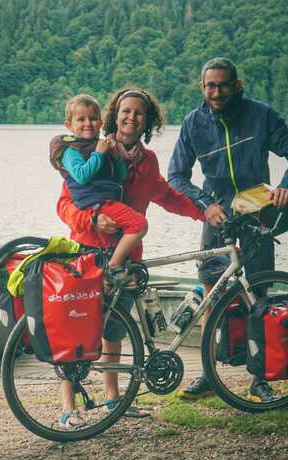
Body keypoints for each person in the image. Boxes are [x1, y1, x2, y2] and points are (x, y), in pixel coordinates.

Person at [55, 87, 212, 428]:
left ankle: (114, 400)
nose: (131, 117)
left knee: (114, 330)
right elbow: (64, 204)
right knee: (76, 330)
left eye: (139, 113)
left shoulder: (148, 160)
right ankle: (69, 407)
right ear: (115, 114)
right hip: (88, 252)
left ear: (147, 121)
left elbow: (168, 196)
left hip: (127, 260)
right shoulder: (90, 150)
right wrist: (93, 220)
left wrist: (205, 213)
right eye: (126, 111)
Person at [168, 57, 288, 401]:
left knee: (258, 296)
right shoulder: (193, 123)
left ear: (237, 85)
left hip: (256, 207)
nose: (216, 92)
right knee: (210, 294)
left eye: (223, 85)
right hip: (216, 211)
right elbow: (176, 175)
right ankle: (208, 372)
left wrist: (286, 187)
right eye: (210, 86)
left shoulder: (261, 115)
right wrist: (205, 203)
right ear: (201, 87)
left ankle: (259, 378)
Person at [50, 94, 148, 274]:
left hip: (116, 238)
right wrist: (93, 219)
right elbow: (81, 178)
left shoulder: (143, 158)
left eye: (93, 118)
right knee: (139, 224)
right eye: (81, 119)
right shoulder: (71, 150)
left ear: (101, 123)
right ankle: (114, 265)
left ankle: (115, 264)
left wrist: (115, 157)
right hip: (93, 224)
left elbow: (120, 176)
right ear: (69, 125)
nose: (88, 123)